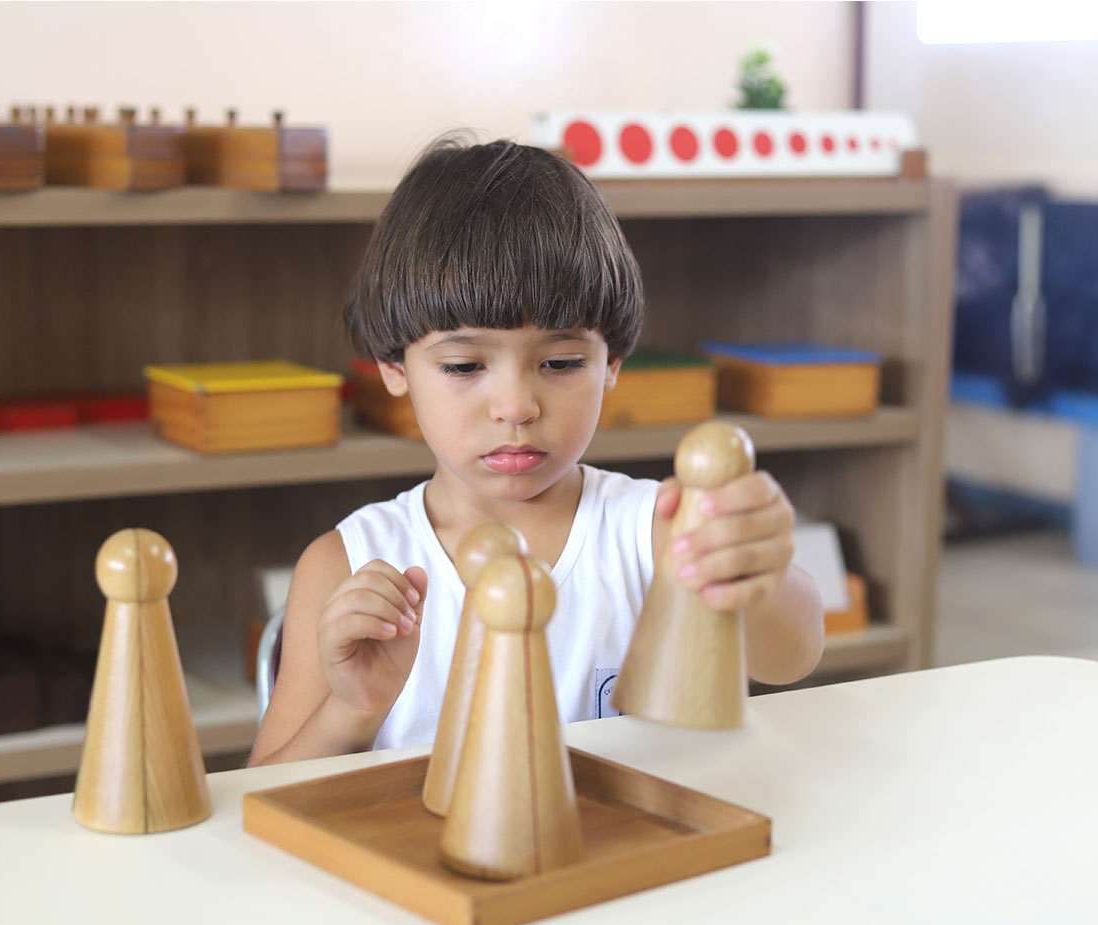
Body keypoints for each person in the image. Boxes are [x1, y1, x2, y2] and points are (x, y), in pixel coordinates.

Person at [248, 136, 823, 765]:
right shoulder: (347, 564)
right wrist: (351, 711)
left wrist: (752, 569)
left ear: (612, 364)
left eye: (560, 362)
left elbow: (791, 659)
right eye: (466, 365)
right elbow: (263, 786)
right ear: (393, 366)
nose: (517, 406)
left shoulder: (655, 530)